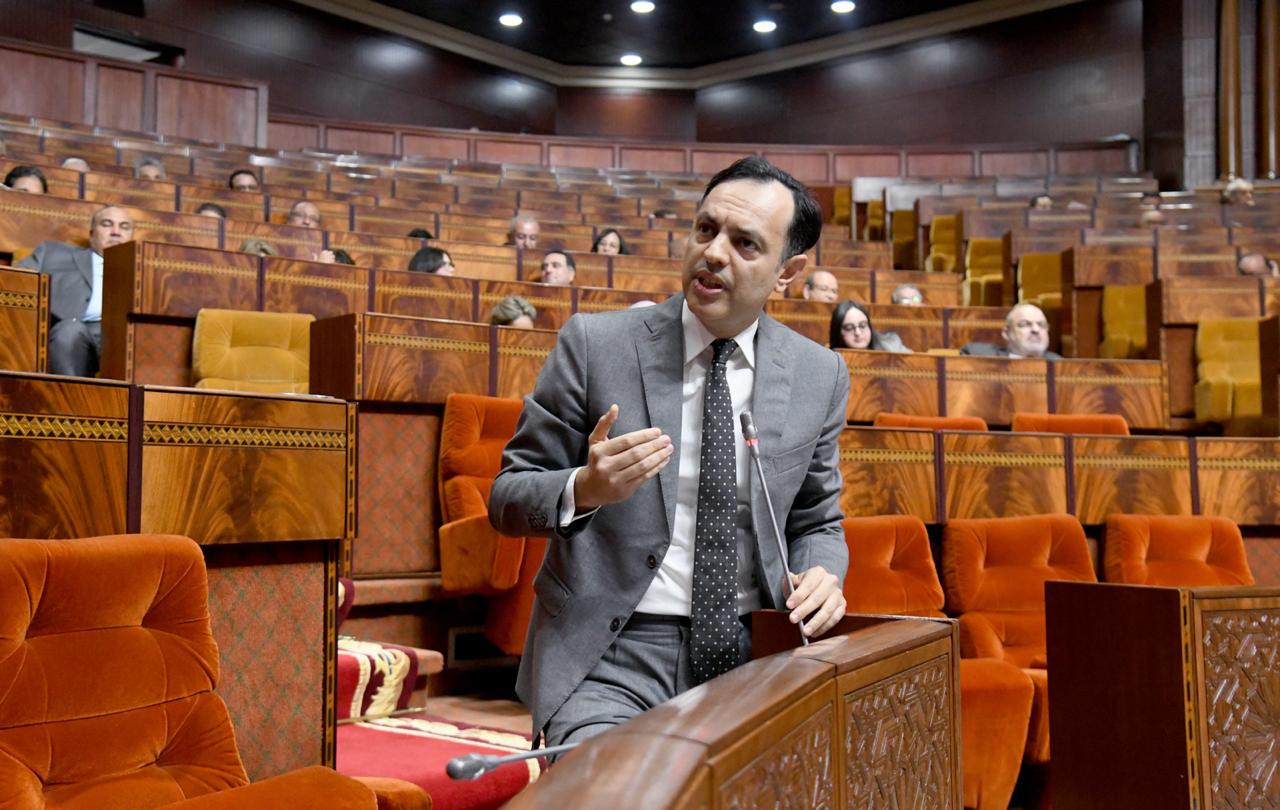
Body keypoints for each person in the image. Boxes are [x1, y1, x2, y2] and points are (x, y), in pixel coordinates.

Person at [489, 157, 849, 750]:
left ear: (788, 271)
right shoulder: (595, 345)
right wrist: (584, 488)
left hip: (751, 657)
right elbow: (507, 499)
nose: (714, 253)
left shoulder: (820, 375)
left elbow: (817, 521)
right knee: (617, 787)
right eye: (705, 230)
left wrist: (821, 574)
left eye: (745, 244)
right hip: (610, 653)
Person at [17, 205, 134, 376]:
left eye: (124, 227)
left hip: (123, 336)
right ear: (92, 234)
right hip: (71, 330)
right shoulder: (52, 254)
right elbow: (14, 281)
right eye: (107, 224)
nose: (116, 232)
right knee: (69, 332)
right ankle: (69, 394)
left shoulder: (144, 269)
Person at [960, 302, 1062, 359]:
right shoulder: (978, 355)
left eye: (1041, 325)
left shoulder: (1059, 364)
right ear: (1006, 333)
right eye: (1025, 324)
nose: (1035, 330)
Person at [829, 300, 910, 353]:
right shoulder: (830, 358)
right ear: (838, 332)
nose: (858, 333)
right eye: (849, 328)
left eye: (863, 326)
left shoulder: (893, 346)